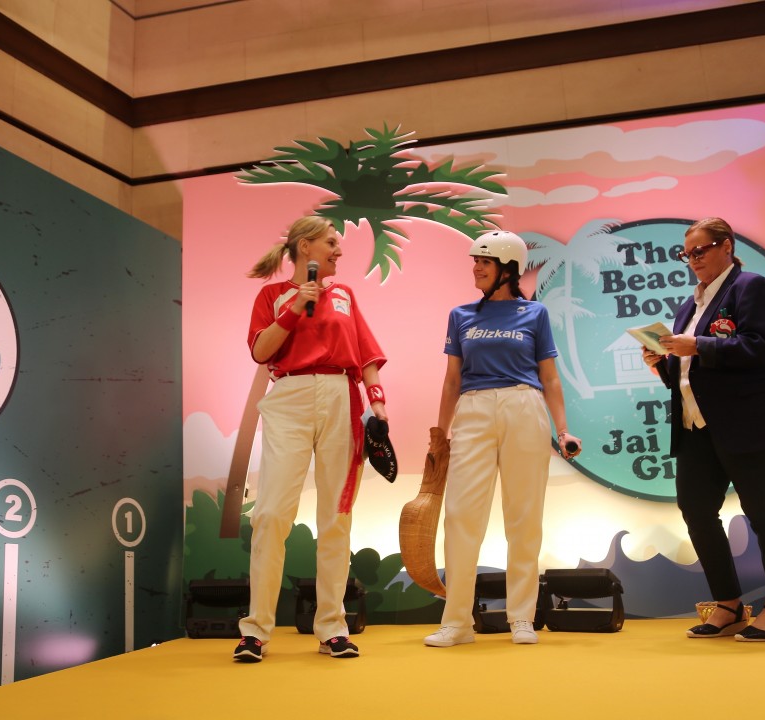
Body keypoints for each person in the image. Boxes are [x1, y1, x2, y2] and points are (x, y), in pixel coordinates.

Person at [642, 217, 765, 642]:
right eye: (687, 254)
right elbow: (691, 373)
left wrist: (697, 345)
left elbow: (761, 347)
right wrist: (663, 365)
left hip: (749, 421)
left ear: (727, 246)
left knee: (764, 511)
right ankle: (729, 604)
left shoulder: (752, 287)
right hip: (697, 424)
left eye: (700, 251)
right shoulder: (689, 306)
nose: (693, 260)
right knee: (696, 510)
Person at [233, 215, 388, 662]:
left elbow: (367, 355)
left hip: (342, 395)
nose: (338, 250)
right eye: (331, 242)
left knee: (336, 517)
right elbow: (261, 351)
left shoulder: (345, 295)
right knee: (270, 515)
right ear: (305, 247)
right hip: (290, 396)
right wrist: (294, 306)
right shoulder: (271, 296)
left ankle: (332, 628)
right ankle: (256, 631)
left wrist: (378, 404)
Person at [424, 230, 581, 648]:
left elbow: (550, 377)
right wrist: (439, 434)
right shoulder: (460, 315)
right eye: (475, 261)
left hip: (524, 406)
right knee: (460, 516)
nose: (475, 268)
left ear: (508, 269)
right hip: (473, 409)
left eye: (484, 261)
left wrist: (563, 429)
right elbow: (452, 380)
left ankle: (522, 618)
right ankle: (457, 622)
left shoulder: (535, 314)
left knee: (524, 516)